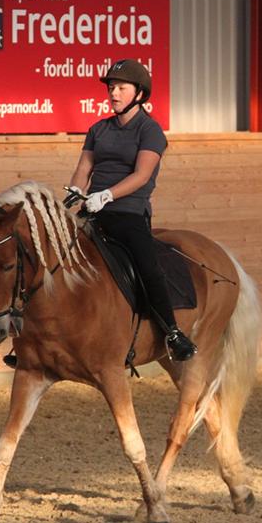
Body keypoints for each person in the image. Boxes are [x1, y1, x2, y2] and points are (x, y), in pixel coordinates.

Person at [71, 58, 198, 362]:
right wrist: (77, 190)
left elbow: (141, 175)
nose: (113, 93)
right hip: (93, 210)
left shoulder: (150, 131)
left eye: (120, 88)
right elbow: (83, 167)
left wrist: (107, 195)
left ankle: (172, 332)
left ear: (139, 93)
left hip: (128, 212)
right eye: (111, 87)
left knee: (148, 268)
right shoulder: (98, 129)